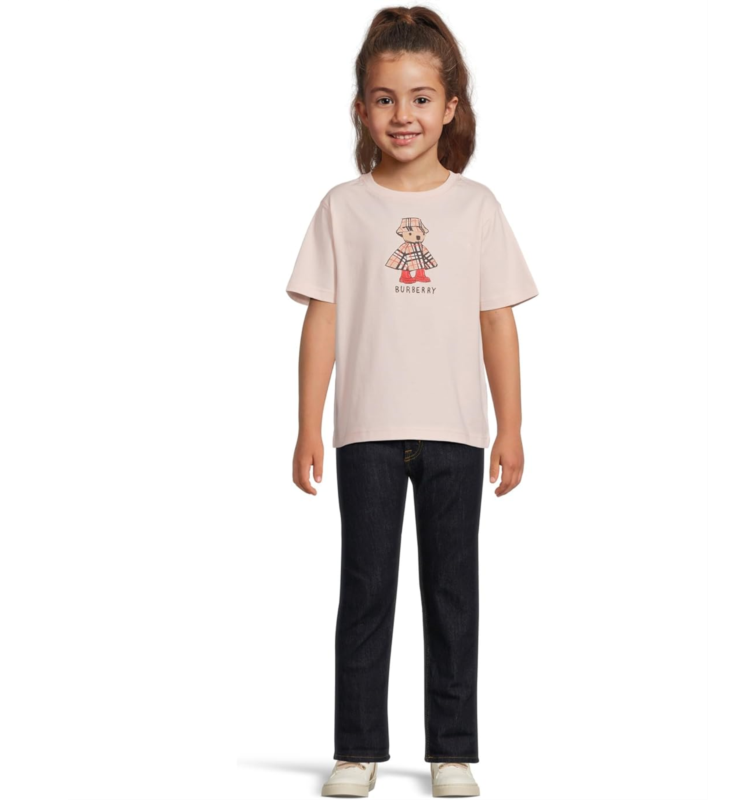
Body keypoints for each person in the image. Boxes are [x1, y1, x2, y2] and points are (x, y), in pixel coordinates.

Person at [285, 6, 539, 797]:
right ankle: (357, 747)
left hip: (456, 432)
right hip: (365, 428)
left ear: (451, 106)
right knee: (365, 589)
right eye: (386, 98)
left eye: (422, 98)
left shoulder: (477, 207)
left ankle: (451, 750)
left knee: (452, 593)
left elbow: (496, 321)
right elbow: (322, 319)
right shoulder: (343, 207)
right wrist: (307, 426)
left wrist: (511, 427)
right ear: (361, 108)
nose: (405, 115)